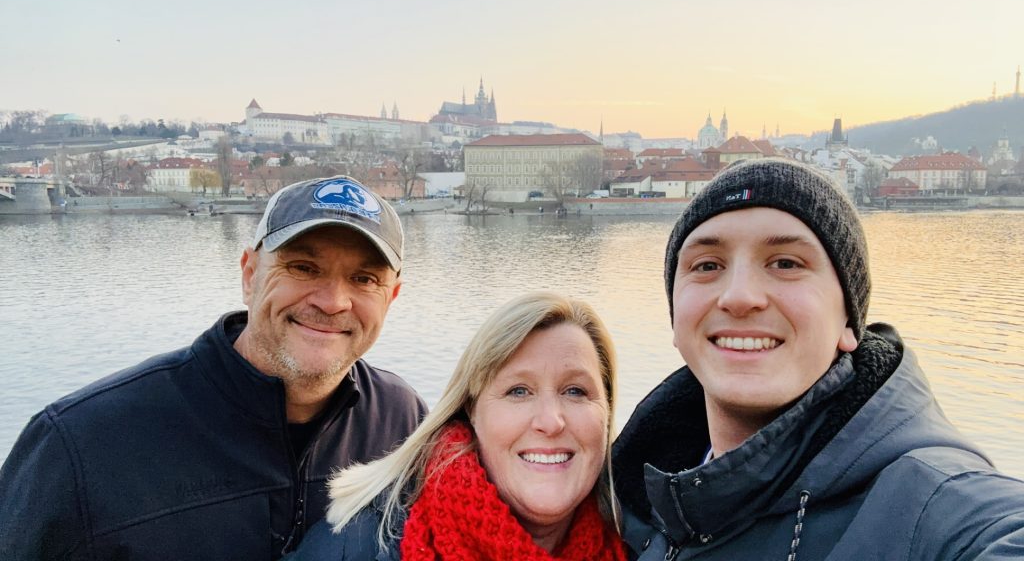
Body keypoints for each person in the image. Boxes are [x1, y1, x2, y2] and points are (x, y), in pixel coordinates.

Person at [612, 158, 1024, 560]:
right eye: (707, 265)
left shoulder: (931, 504)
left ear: (848, 321)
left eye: (786, 263)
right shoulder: (631, 498)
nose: (739, 296)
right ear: (675, 317)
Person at [0, 176, 428, 560]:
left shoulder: (403, 422)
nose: (333, 302)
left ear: (391, 298)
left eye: (364, 279)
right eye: (303, 267)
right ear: (250, 275)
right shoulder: (79, 445)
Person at [289, 292, 627, 560]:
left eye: (575, 391)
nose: (551, 421)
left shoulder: (642, 542)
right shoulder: (354, 547)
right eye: (519, 391)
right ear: (471, 411)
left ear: (607, 412)